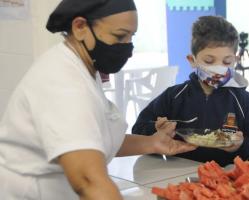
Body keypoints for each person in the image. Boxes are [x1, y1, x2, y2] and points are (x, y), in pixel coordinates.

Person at [0, 0, 196, 199]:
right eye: (119, 36)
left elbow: (94, 135)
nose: (128, 47)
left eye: (131, 36)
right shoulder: (62, 81)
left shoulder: (84, 67)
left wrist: (152, 143)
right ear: (80, 27)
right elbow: (88, 180)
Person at [132, 16, 249, 167]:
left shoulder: (245, 102)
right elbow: (138, 131)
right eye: (209, 61)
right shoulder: (174, 97)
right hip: (177, 177)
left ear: (235, 60)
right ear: (192, 60)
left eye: (226, 62)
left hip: (228, 180)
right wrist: (156, 130)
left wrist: (242, 145)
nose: (218, 68)